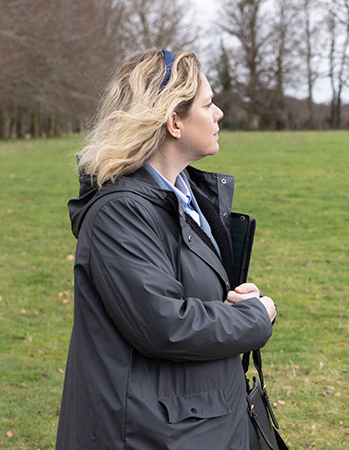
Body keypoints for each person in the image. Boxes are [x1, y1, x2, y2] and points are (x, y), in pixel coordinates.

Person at [57, 49, 277, 449]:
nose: (220, 114)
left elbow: (189, 294)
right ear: (174, 121)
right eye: (208, 104)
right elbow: (164, 325)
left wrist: (238, 301)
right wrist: (255, 317)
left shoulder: (188, 195)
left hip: (198, 420)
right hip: (152, 433)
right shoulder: (119, 213)